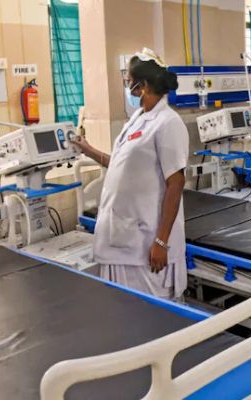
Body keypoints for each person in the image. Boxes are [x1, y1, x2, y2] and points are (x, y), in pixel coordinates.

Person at [71, 48, 189, 301]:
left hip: (145, 243)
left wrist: (162, 242)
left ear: (143, 86)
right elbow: (121, 165)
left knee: (153, 314)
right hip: (122, 238)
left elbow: (176, 183)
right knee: (123, 310)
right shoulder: (138, 118)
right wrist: (88, 150)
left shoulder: (168, 123)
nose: (127, 87)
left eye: (129, 82)